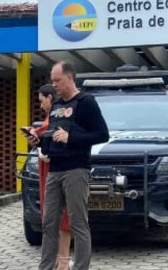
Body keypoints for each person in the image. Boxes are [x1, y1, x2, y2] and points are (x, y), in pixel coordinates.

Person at [36, 61, 109, 270]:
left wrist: (71, 137)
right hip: (55, 170)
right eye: (53, 81)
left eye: (58, 80)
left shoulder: (86, 102)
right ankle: (46, 267)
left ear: (69, 78)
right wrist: (38, 141)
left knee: (78, 223)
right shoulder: (57, 106)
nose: (54, 85)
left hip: (76, 169)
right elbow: (52, 138)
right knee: (49, 223)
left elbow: (103, 134)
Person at [26, 84, 72, 270]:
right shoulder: (50, 118)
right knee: (53, 218)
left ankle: (62, 260)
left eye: (42, 101)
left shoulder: (59, 117)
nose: (41, 105)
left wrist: (43, 146)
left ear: (50, 98)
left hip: (59, 173)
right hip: (48, 174)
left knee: (62, 217)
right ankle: (58, 259)